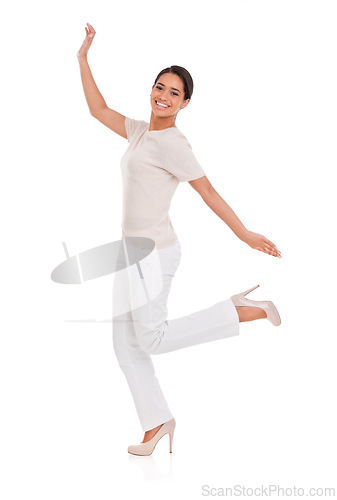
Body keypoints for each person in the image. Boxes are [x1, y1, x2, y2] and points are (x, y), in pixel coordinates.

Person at [77, 23, 282, 456]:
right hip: (128, 251)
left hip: (155, 254)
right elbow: (98, 110)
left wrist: (244, 234)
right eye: (159, 87)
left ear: (185, 103)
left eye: (174, 93)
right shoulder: (139, 131)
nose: (164, 96)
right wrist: (83, 58)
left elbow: (207, 191)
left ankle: (239, 310)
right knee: (123, 343)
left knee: (150, 339)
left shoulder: (174, 143)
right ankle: (157, 423)